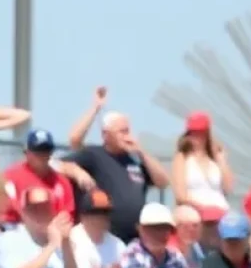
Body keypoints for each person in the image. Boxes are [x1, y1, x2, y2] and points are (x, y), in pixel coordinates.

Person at [61, 102, 170, 243]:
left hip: (134, 239)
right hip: (103, 238)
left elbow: (163, 182)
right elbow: (58, 164)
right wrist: (77, 172)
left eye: (128, 131)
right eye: (122, 132)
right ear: (106, 135)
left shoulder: (135, 160)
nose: (127, 136)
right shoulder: (94, 154)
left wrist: (141, 152)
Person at [119, 202, 188, 268]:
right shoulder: (134, 252)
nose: (159, 234)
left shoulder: (175, 255)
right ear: (140, 229)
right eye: (153, 228)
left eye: (164, 228)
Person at [170, 111, 231, 212]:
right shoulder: (182, 157)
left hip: (220, 210)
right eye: (193, 133)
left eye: (201, 133)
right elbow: (181, 196)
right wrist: (203, 209)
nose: (197, 137)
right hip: (194, 212)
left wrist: (222, 161)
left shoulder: (215, 158)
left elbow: (227, 187)